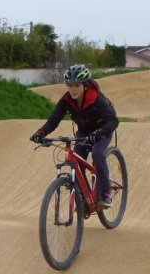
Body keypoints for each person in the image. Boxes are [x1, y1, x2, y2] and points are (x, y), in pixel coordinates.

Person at [30, 64, 119, 208]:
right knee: (76, 162)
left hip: (103, 130)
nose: (73, 89)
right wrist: (41, 133)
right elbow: (54, 120)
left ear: (85, 85)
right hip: (84, 133)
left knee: (97, 154)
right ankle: (84, 198)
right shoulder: (67, 100)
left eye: (77, 85)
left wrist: (98, 134)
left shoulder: (97, 99)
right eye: (70, 85)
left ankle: (105, 194)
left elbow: (113, 120)